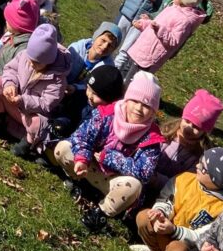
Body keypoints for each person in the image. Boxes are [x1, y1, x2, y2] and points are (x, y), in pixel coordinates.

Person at [52, 71, 164, 234]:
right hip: (89, 167)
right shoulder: (107, 113)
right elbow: (82, 136)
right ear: (127, 99)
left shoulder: (151, 137)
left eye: (147, 106)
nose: (139, 109)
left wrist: (110, 157)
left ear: (154, 111)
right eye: (135, 101)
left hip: (113, 182)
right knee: (63, 148)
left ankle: (100, 213)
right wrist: (82, 159)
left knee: (134, 186)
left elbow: (144, 172)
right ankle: (77, 182)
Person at [0, 24, 71, 158]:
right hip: (15, 104)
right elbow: (10, 69)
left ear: (48, 61)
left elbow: (46, 104)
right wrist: (10, 84)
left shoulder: (58, 79)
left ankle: (27, 143)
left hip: (31, 115)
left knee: (38, 123)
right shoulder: (24, 55)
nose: (31, 64)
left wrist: (23, 100)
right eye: (30, 59)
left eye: (37, 62)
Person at [119, 0, 209, 86]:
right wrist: (144, 24)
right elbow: (156, 23)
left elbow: (174, 41)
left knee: (130, 83)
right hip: (140, 49)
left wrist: (159, 29)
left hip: (149, 58)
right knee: (122, 75)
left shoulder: (185, 20)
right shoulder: (172, 8)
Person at [60, 22, 122, 124]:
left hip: (82, 93)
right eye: (103, 40)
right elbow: (61, 67)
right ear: (96, 36)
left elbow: (95, 88)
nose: (105, 46)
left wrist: (76, 88)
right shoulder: (77, 48)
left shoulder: (107, 66)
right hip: (62, 81)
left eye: (110, 45)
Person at [156, 89, 223, 179]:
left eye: (196, 127)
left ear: (205, 131)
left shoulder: (199, 156)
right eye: (187, 121)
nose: (189, 128)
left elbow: (188, 181)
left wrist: (158, 180)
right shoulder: (165, 132)